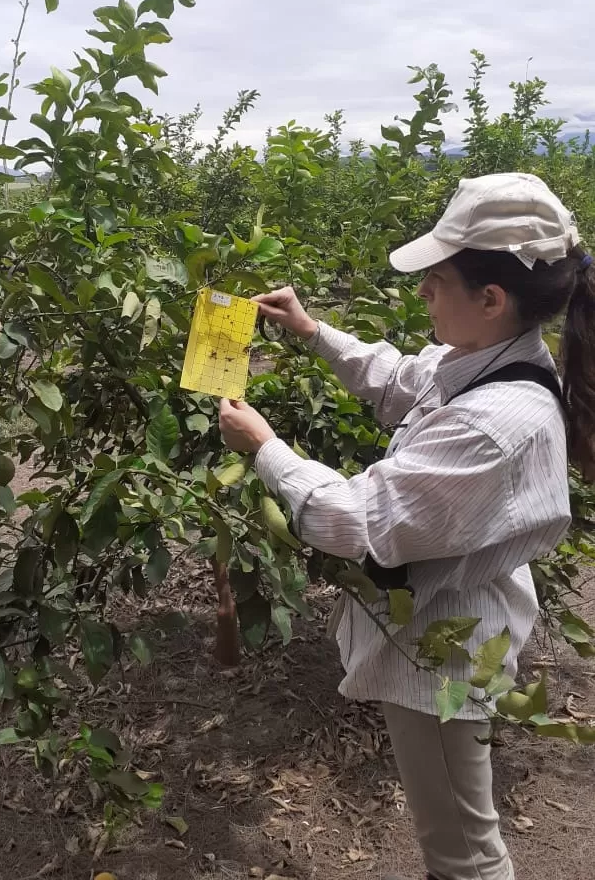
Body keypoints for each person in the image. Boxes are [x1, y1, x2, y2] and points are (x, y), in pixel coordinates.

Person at [218, 173, 595, 880]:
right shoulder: (488, 362)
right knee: (449, 826)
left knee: (463, 848)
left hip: (446, 656)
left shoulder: (496, 425)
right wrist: (314, 332)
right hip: (440, 621)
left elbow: (354, 520)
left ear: (490, 298)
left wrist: (265, 448)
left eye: (437, 280)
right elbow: (400, 380)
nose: (422, 292)